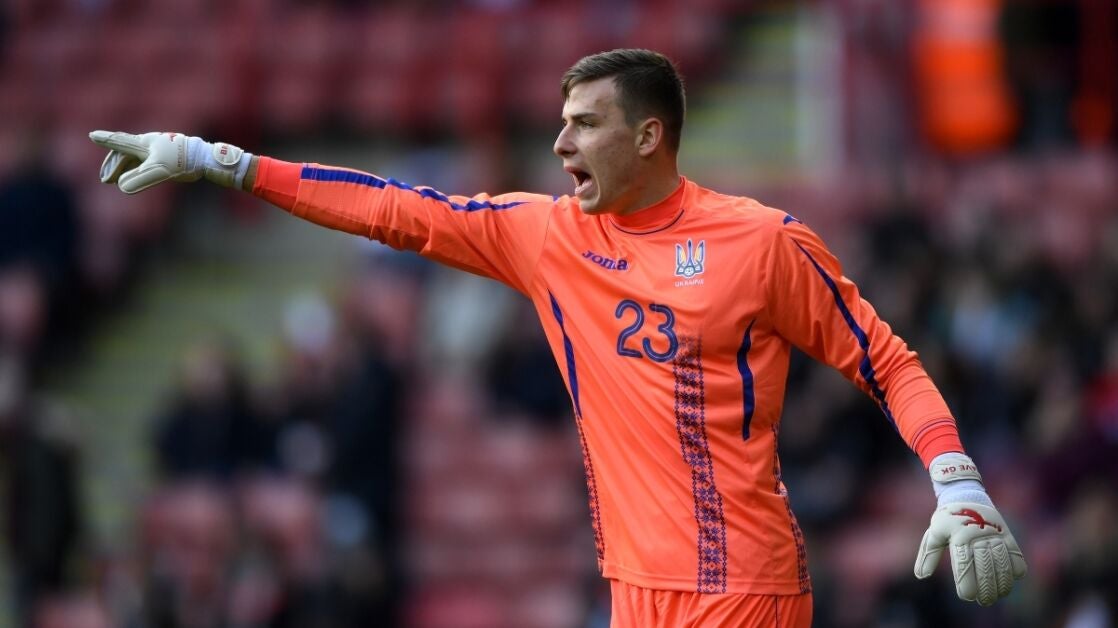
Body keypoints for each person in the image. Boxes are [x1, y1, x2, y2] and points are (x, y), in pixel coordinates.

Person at [89, 48, 1026, 627]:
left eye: (584, 124)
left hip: (744, 588)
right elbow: (392, 209)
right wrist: (224, 162)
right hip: (632, 590)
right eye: (560, 123)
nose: (560, 144)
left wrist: (955, 478)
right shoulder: (548, 237)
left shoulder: (762, 243)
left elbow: (886, 359)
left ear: (649, 137)